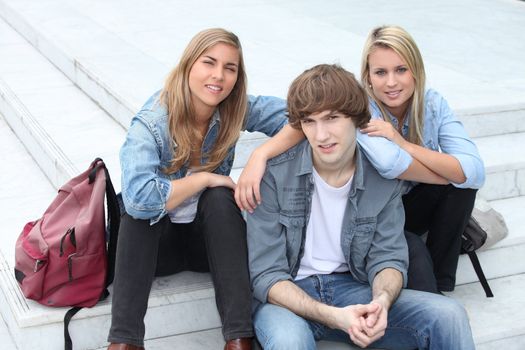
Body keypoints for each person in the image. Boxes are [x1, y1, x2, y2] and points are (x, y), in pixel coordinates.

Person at [246, 64, 475, 350]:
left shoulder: (382, 178)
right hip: (286, 298)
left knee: (448, 315)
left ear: (357, 119)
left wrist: (380, 301)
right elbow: (267, 276)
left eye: (332, 118)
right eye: (309, 121)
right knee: (289, 342)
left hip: (352, 288)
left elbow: (389, 258)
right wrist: (333, 316)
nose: (321, 135)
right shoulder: (272, 176)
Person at [107, 28, 301, 350]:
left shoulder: (232, 107)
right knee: (137, 209)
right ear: (188, 66)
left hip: (208, 246)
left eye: (230, 68)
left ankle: (239, 339)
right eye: (209, 63)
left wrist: (260, 154)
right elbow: (140, 198)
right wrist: (204, 178)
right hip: (156, 250)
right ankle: (125, 343)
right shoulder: (154, 120)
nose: (218, 76)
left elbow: (303, 116)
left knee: (221, 198)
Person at [359, 25, 485, 292]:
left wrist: (403, 143)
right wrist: (449, 174)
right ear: (368, 77)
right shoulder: (363, 108)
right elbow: (390, 164)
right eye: (381, 72)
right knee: (455, 179)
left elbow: (474, 171)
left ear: (416, 70)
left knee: (462, 185)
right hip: (376, 215)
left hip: (413, 208)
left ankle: (442, 278)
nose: (391, 82)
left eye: (401, 69)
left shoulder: (432, 103)